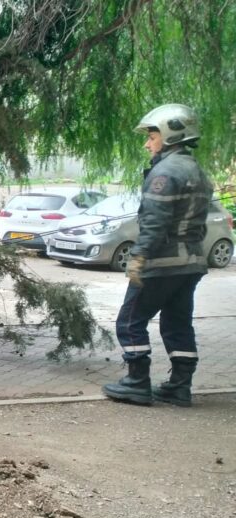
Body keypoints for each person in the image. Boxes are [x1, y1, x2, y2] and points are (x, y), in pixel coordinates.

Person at [102, 104, 213, 407]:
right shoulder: (197, 171)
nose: (147, 143)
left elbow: (155, 221)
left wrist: (138, 257)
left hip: (162, 263)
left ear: (169, 134)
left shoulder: (163, 172)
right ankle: (179, 387)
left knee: (129, 321)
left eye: (151, 137)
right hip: (191, 264)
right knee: (178, 324)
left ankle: (137, 382)